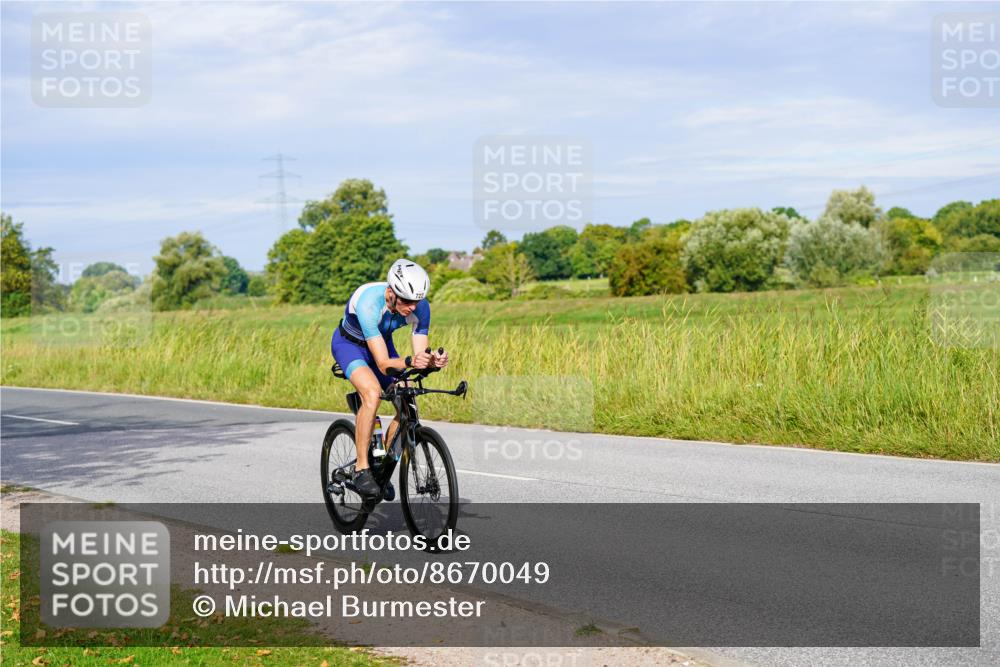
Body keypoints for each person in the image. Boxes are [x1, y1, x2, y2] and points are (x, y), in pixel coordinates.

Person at [330, 259, 448, 497]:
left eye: (416, 301)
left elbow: (420, 354)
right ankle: (362, 468)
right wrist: (409, 361)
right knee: (372, 394)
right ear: (391, 292)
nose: (412, 307)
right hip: (350, 347)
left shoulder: (420, 307)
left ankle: (379, 465)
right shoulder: (369, 304)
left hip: (382, 344)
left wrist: (431, 361)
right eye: (406, 301)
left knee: (408, 401)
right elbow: (383, 364)